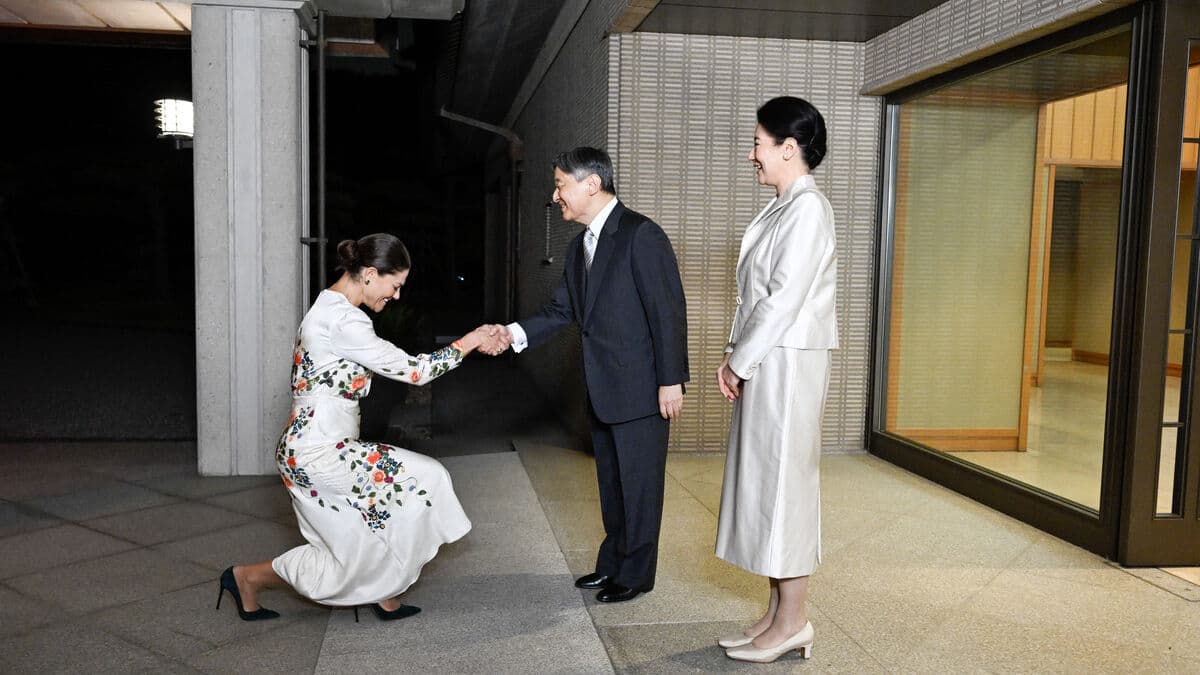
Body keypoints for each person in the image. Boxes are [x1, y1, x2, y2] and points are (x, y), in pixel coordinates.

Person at [216, 233, 509, 622]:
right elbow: (416, 372)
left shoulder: (328, 306)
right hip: (318, 451)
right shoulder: (344, 321)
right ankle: (246, 577)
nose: (397, 296)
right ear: (370, 274)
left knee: (368, 529)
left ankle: (380, 593)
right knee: (425, 480)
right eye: (395, 285)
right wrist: (472, 339)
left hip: (313, 447)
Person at [499, 147, 688, 603]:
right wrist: (510, 334)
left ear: (591, 184)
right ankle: (613, 564)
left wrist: (671, 379)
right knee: (612, 484)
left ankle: (637, 574)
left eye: (560, 184)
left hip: (643, 388)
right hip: (603, 387)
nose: (555, 194)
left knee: (640, 486)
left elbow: (668, 311)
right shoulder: (580, 245)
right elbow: (562, 309)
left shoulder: (641, 235)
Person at [714, 97, 837, 663]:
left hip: (786, 362)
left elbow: (784, 298)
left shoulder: (808, 209)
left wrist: (740, 361)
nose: (752, 154)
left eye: (759, 143)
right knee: (768, 483)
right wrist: (737, 354)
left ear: (789, 148)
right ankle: (775, 615)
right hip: (772, 359)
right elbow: (759, 296)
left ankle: (793, 621)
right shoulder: (784, 206)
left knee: (784, 485)